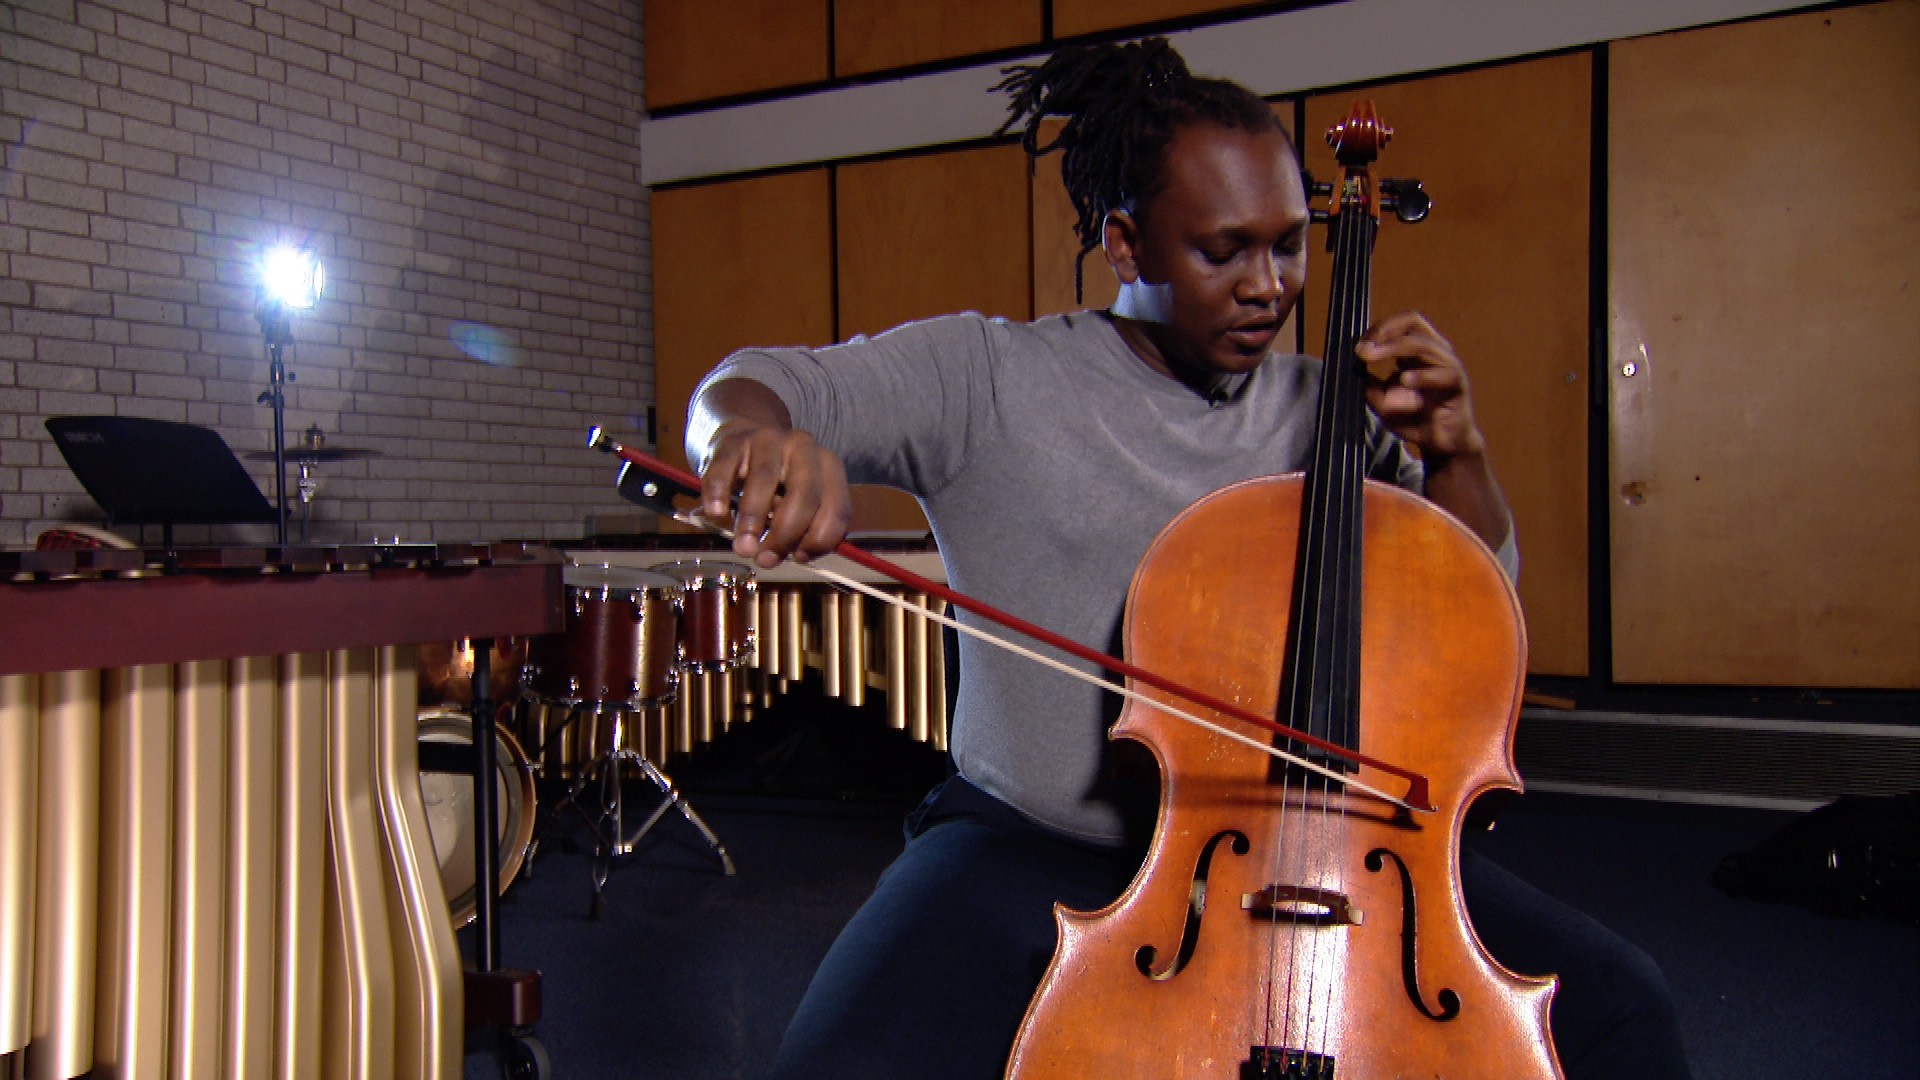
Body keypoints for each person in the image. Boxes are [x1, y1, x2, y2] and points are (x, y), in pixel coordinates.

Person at [684, 38, 1689, 1080]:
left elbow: (1472, 622)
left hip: (1321, 844)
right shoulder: (991, 378)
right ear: (1126, 245)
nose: (1270, 286)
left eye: (1292, 247)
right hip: (1033, 845)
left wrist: (1456, 451)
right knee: (838, 1061)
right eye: (1224, 252)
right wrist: (747, 440)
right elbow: (749, 385)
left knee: (1621, 1008)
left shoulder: (1336, 409)